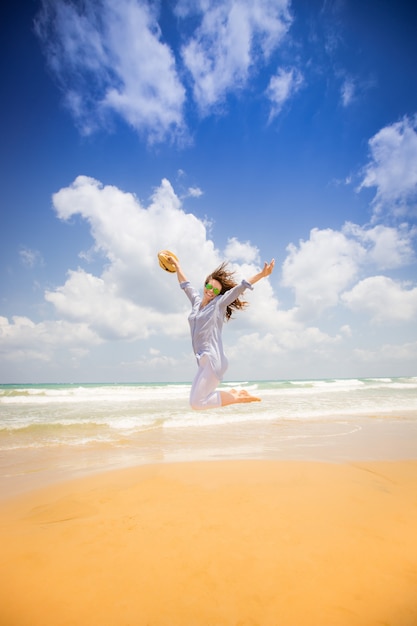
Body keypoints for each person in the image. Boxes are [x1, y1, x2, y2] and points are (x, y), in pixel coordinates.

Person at [167, 255, 275, 410]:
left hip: (213, 360)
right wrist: (177, 265)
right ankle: (233, 393)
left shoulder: (219, 304)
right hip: (203, 361)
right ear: (205, 285)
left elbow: (239, 288)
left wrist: (262, 274)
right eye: (209, 287)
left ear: (219, 293)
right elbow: (185, 284)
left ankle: (238, 397)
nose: (211, 291)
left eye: (215, 290)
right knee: (193, 401)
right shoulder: (197, 302)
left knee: (197, 404)